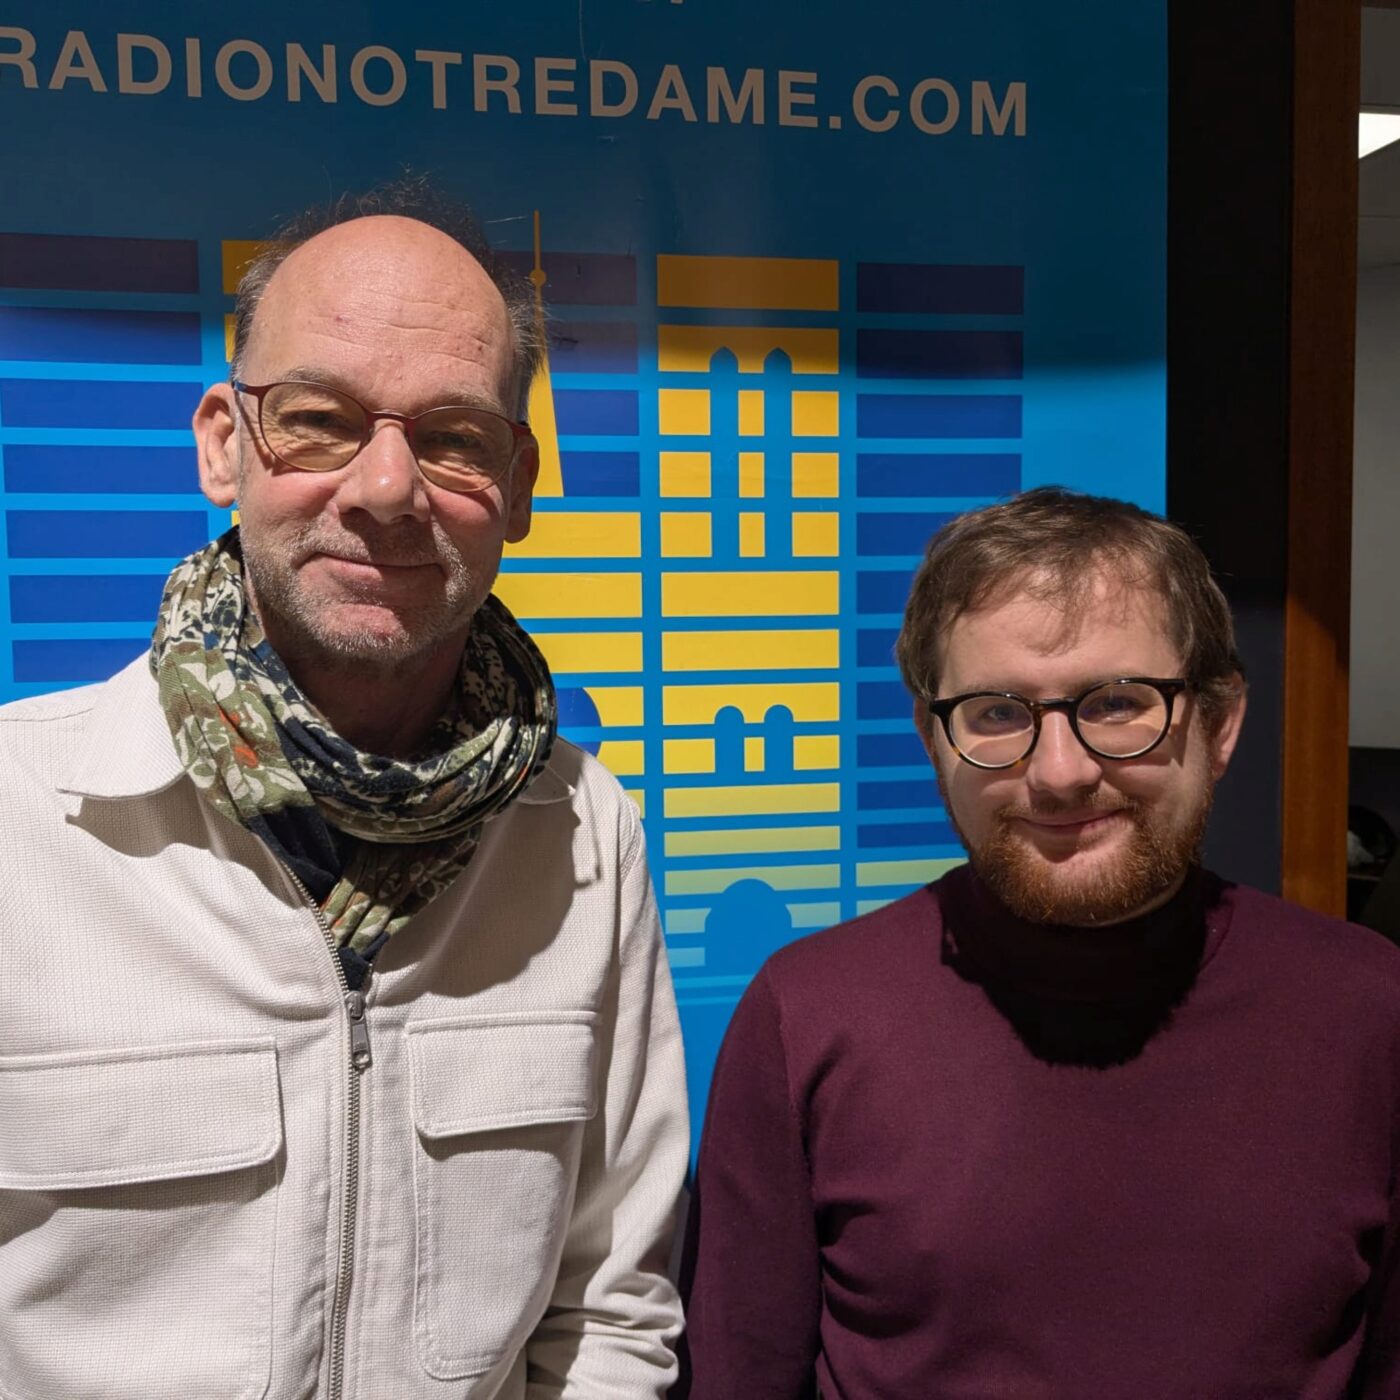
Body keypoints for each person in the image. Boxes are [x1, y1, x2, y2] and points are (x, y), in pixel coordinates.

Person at [0, 182, 687, 1399]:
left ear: (518, 486)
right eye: (317, 418)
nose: (383, 487)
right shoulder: (22, 815)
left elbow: (607, 1312)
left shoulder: (582, 831)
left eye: (454, 437)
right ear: (224, 442)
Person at [677, 488, 1400, 1398]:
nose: (1060, 772)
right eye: (995, 714)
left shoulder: (1372, 1012)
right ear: (932, 741)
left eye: (1119, 702)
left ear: (1218, 724)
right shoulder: (810, 1017)